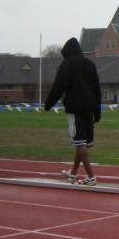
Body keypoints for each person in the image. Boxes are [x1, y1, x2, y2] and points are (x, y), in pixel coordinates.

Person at [44, 37, 102, 185]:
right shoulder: (90, 64)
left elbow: (59, 86)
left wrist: (49, 103)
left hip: (75, 107)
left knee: (79, 143)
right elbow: (97, 88)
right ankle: (73, 174)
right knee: (81, 142)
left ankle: (91, 176)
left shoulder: (67, 64)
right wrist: (98, 110)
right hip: (90, 107)